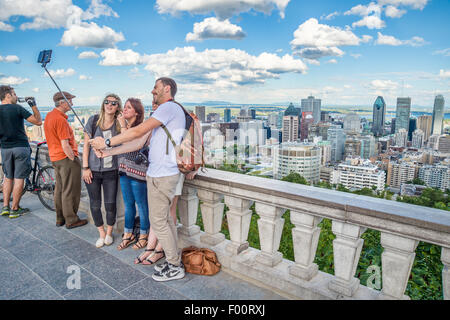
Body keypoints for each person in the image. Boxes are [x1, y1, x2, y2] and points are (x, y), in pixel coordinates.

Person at [90, 77, 188, 282]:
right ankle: (173, 261)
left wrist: (106, 140)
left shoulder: (169, 107)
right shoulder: (163, 113)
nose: (153, 91)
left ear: (167, 89)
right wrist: (108, 151)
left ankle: (174, 266)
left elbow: (138, 130)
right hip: (157, 174)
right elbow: (139, 142)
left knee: (159, 221)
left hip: (163, 175)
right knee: (165, 221)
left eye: (156, 88)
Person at [82, 94, 123, 248]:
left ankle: (109, 232)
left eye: (114, 103)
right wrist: (85, 167)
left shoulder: (118, 125)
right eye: (107, 102)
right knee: (95, 204)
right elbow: (86, 146)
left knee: (110, 204)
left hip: (111, 170)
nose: (110, 105)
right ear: (103, 104)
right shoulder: (93, 121)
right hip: (92, 169)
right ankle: (101, 233)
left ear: (118, 106)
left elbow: (123, 144)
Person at [43, 91, 87, 229]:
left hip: (55, 158)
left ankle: (60, 218)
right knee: (71, 190)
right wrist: (73, 158)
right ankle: (72, 220)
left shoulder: (50, 116)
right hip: (66, 158)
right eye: (69, 101)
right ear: (62, 103)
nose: (72, 104)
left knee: (60, 189)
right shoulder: (61, 120)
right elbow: (65, 144)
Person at [0, 85, 42, 218]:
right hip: (20, 147)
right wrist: (33, 105)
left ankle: (5, 207)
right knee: (19, 179)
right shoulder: (17, 108)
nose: (16, 97)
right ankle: (15, 208)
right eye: (14, 94)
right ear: (8, 96)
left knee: (8, 177)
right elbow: (38, 122)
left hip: (5, 149)